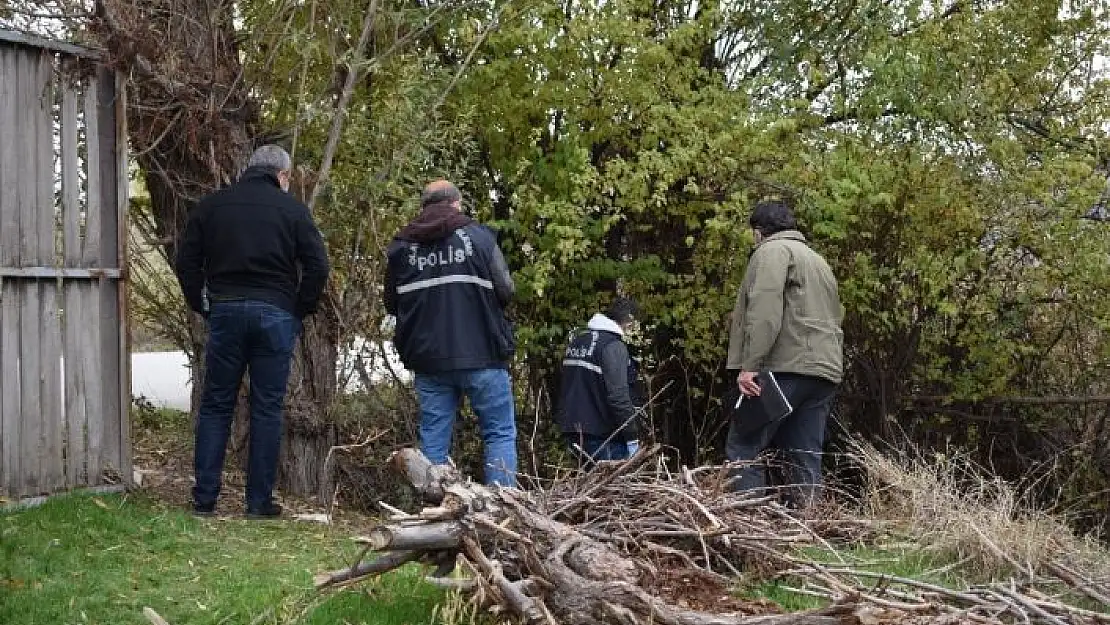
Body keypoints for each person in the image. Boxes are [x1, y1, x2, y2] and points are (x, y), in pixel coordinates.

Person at [176, 144, 330, 518]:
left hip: (226, 310)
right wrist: (298, 309)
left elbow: (186, 262)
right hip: (276, 314)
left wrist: (202, 304)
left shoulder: (213, 206)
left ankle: (205, 499)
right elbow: (318, 265)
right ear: (282, 175)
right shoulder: (293, 210)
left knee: (216, 405)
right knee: (267, 409)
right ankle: (258, 503)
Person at [384, 180, 518, 487]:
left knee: (434, 440)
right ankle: (502, 507)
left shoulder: (402, 248)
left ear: (424, 207)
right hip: (482, 353)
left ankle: (436, 509)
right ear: (456, 204)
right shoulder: (481, 238)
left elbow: (392, 303)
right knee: (498, 432)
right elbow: (506, 290)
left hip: (429, 360)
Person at [725, 199, 843, 510]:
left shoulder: (771, 252)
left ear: (758, 232)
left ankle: (746, 526)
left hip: (783, 366)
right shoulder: (818, 261)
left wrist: (750, 366)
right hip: (824, 371)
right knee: (803, 451)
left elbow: (765, 314)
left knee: (744, 446)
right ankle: (808, 525)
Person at [556, 297, 643, 465]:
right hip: (603, 435)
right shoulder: (613, 347)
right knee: (615, 489)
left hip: (572, 429)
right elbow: (619, 397)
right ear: (629, 323)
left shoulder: (578, 341)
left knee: (587, 487)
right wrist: (632, 437)